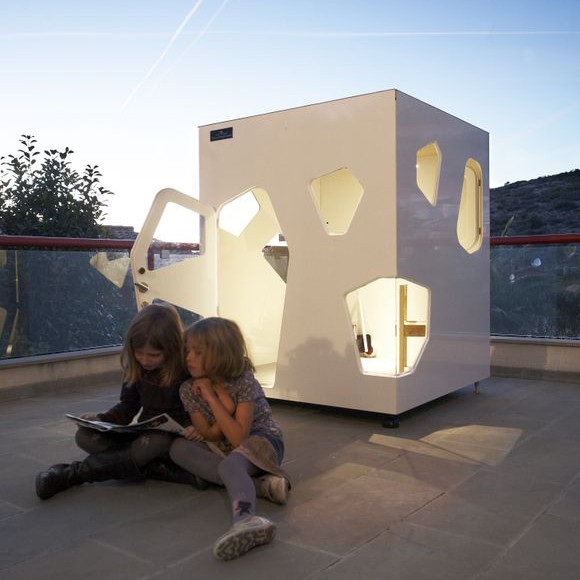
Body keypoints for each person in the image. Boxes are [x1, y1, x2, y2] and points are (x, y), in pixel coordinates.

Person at [35, 303, 207, 500]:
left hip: (173, 440)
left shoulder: (186, 369)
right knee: (84, 436)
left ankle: (73, 474)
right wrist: (102, 420)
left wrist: (196, 426)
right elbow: (127, 408)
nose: (144, 360)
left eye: (153, 355)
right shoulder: (136, 368)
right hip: (142, 433)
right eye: (139, 352)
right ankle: (159, 470)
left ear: (172, 347)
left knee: (153, 444)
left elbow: (202, 408)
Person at [169, 317, 290, 561]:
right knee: (177, 449)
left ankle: (246, 519)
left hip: (262, 440)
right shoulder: (187, 389)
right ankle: (261, 486)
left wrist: (213, 398)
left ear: (221, 353)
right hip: (224, 447)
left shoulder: (243, 381)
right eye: (187, 351)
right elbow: (211, 434)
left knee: (230, 464)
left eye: (198, 352)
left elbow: (238, 438)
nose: (189, 358)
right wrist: (214, 408)